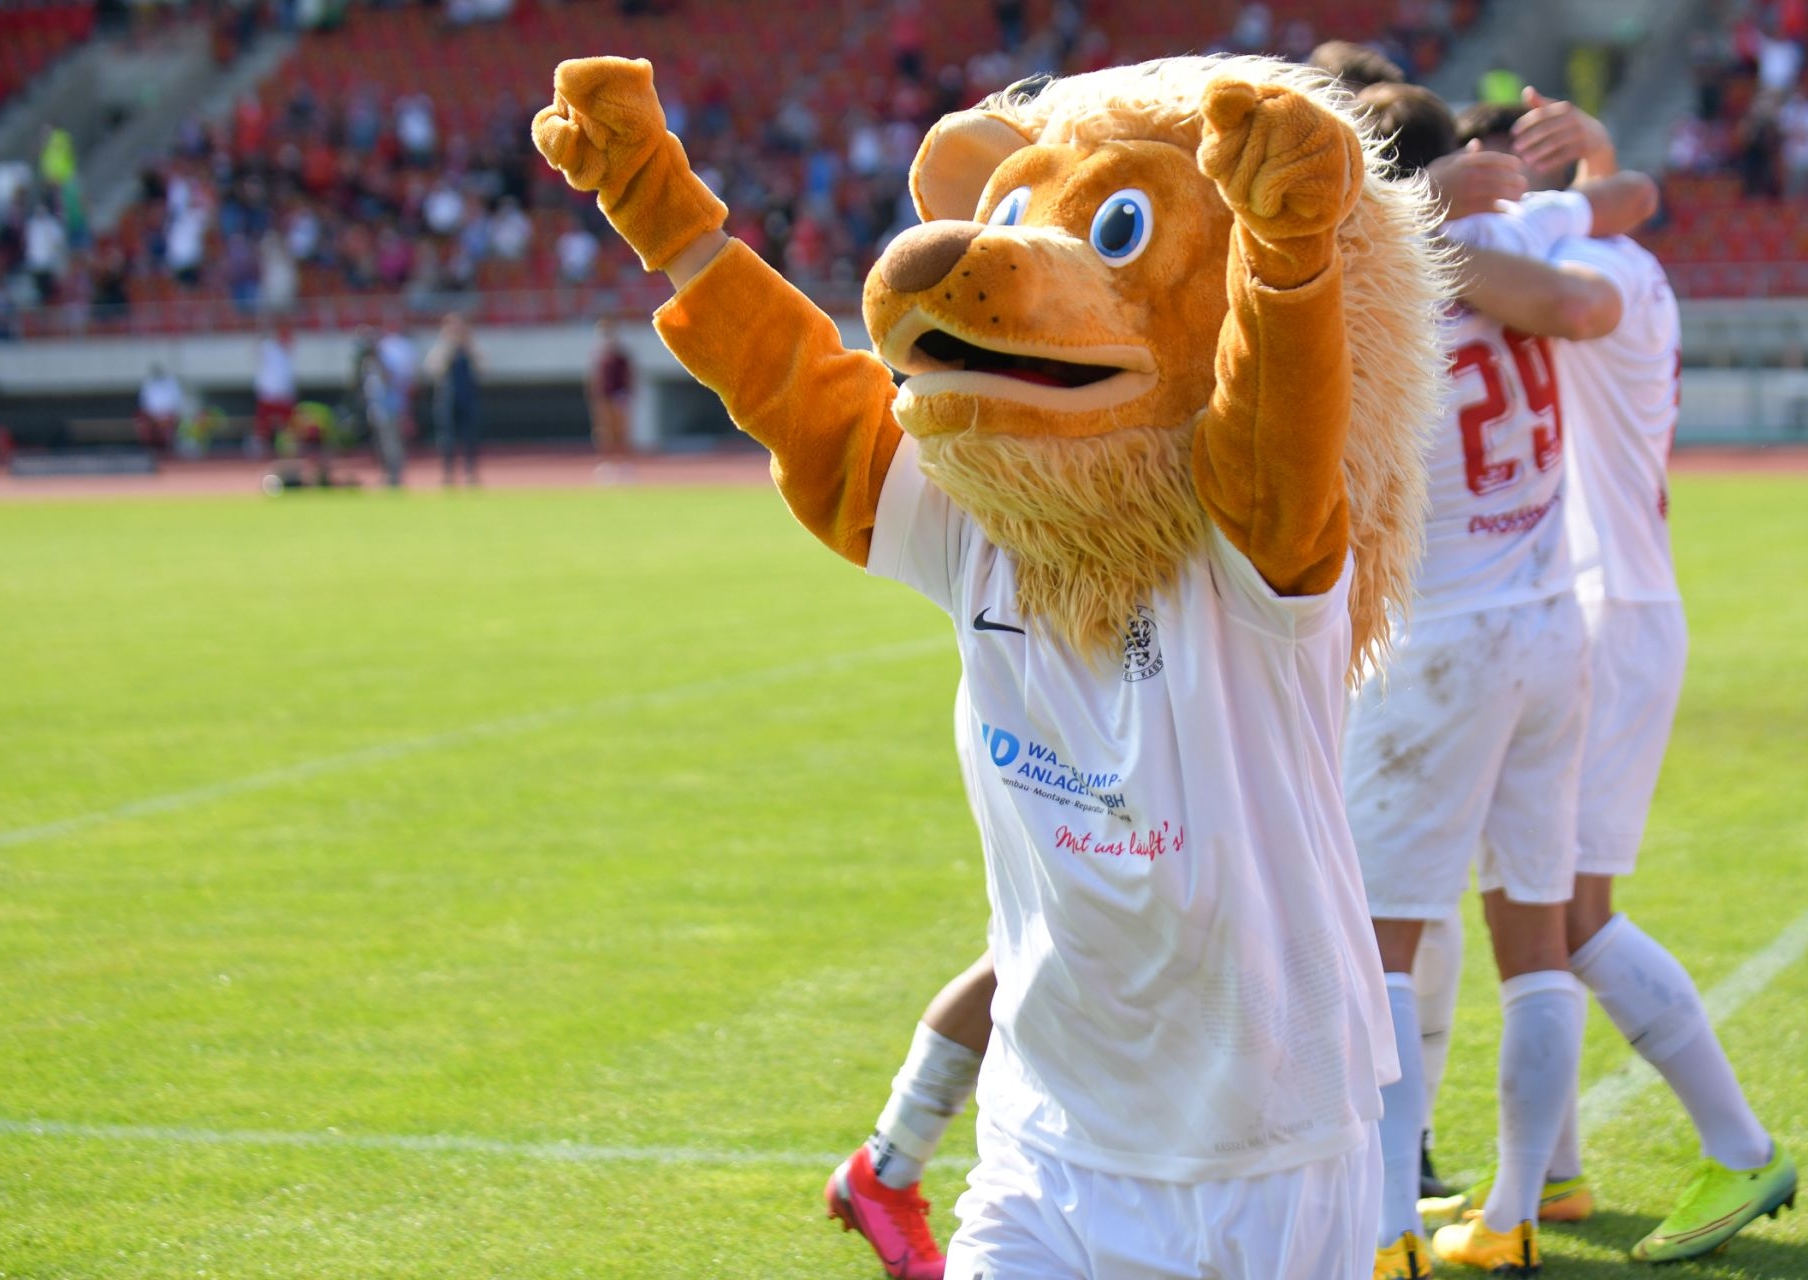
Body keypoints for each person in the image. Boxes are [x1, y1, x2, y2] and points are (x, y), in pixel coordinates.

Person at [533, 53, 1447, 1280]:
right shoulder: (976, 527)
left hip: (1260, 1151)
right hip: (1045, 1135)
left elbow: (1276, 427)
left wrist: (1287, 262)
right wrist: (664, 209)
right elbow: (801, 390)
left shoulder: (1251, 569)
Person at [1419, 129, 1796, 1268]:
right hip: (1590, 602)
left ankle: (1740, 1145)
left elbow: (1550, 272)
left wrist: (1407, 215)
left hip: (1602, 609)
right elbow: (1630, 194)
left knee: (1569, 917)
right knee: (1526, 902)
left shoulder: (1569, 264)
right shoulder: (1608, 245)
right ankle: (1551, 1172)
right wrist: (1600, 174)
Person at [1341, 84, 1658, 1279]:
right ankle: (1516, 1208)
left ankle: (1385, 1228)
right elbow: (1628, 207)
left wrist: (1401, 212)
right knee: (1532, 929)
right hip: (1549, 618)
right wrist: (1582, 156)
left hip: (1441, 631)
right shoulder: (1516, 239)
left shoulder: (1364, 266)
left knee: (1378, 944)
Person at [426, 314, 481, 485]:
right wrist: (448, 347)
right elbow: (434, 369)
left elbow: (482, 369)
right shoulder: (440, 349)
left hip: (467, 399)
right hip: (447, 400)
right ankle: (448, 473)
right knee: (446, 438)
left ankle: (470, 473)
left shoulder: (469, 349)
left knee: (470, 437)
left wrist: (468, 346)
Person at [352, 329, 403, 487]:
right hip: (374, 406)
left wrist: (378, 359)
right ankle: (386, 473)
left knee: (390, 441)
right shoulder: (365, 362)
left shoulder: (387, 356)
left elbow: (390, 379)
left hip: (389, 406)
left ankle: (395, 474)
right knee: (379, 442)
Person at [587, 319, 635, 482]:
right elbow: (596, 379)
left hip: (618, 398)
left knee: (620, 432)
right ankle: (608, 465)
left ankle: (624, 465)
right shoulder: (600, 357)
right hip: (604, 398)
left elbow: (628, 377)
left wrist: (625, 395)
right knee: (604, 434)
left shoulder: (621, 357)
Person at [253, 323, 297, 457]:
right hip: (269, 392)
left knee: (288, 423)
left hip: (284, 394)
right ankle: (260, 446)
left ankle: (286, 446)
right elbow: (259, 343)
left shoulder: (287, 352)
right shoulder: (270, 347)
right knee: (264, 423)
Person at [136, 364, 184, 452]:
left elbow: (176, 401)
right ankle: (151, 449)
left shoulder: (170, 382)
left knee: (168, 426)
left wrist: (166, 415)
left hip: (168, 415)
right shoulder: (148, 383)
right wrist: (153, 416)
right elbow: (144, 401)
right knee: (143, 423)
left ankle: (168, 449)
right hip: (152, 417)